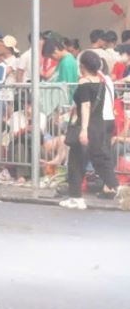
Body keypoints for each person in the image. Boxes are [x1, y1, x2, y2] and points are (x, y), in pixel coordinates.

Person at [60, 50, 120, 209]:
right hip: (99, 125)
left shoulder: (84, 83)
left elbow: (85, 106)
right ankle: (117, 186)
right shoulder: (102, 82)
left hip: (87, 125)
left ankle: (76, 197)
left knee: (76, 162)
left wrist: (84, 130)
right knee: (100, 158)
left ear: (82, 66)